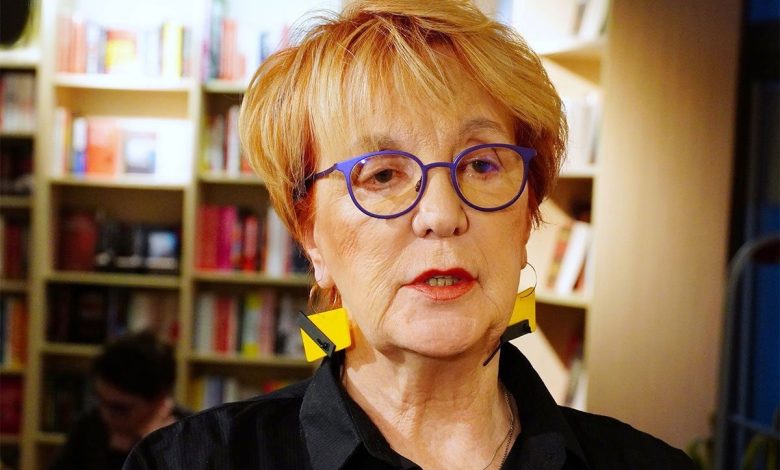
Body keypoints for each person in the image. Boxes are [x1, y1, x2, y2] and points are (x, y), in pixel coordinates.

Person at [125, 1, 695, 468]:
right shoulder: (189, 462)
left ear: (528, 216)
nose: (442, 214)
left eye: (482, 165)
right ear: (311, 235)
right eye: (382, 175)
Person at [51, 331, 190, 470]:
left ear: (158, 400)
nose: (105, 415)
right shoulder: (88, 427)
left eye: (120, 408)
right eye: (100, 400)